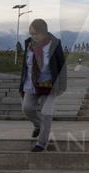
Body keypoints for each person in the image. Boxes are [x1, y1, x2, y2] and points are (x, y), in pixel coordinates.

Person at [19, 18, 67, 152]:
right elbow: (26, 67)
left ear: (44, 33)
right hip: (31, 84)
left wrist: (62, 85)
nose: (33, 36)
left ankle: (42, 143)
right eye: (31, 33)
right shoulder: (28, 45)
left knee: (46, 113)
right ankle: (38, 125)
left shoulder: (55, 44)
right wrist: (21, 84)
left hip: (49, 84)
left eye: (35, 33)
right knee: (27, 108)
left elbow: (62, 65)